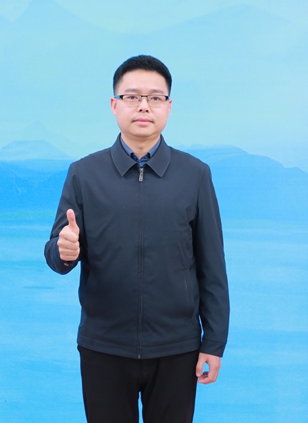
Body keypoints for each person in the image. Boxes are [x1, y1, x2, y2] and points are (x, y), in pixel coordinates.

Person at [44, 54, 230, 423]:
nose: (143, 106)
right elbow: (56, 253)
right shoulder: (84, 174)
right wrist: (65, 251)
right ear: (114, 105)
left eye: (155, 97)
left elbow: (212, 265)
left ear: (168, 107)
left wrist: (214, 342)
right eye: (132, 97)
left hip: (177, 348)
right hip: (103, 347)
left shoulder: (195, 175)